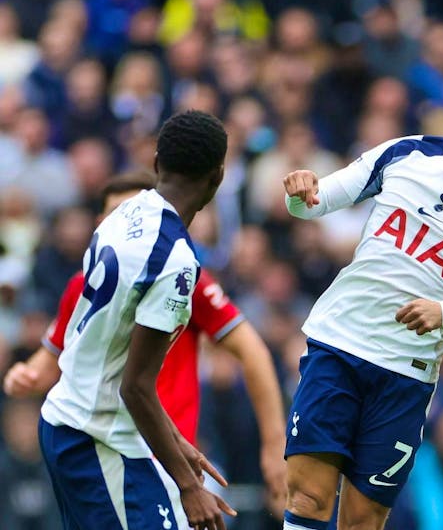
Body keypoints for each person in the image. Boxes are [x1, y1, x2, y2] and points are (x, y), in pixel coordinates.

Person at [280, 95, 443, 530]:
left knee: (364, 518)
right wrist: (299, 192)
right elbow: (313, 202)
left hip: (404, 375)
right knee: (309, 496)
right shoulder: (409, 152)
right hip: (338, 344)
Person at [3, 169, 288, 515]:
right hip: (105, 452)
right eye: (119, 213)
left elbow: (251, 350)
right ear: (102, 223)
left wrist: (275, 446)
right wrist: (25, 375)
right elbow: (50, 365)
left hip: (172, 462)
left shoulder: (180, 276)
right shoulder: (85, 285)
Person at [37, 110, 234, 530]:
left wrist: (178, 444)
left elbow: (113, 355)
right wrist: (189, 487)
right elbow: (135, 386)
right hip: (95, 438)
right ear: (218, 178)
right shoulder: (176, 262)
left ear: (157, 163)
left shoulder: (125, 213)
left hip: (74, 421)